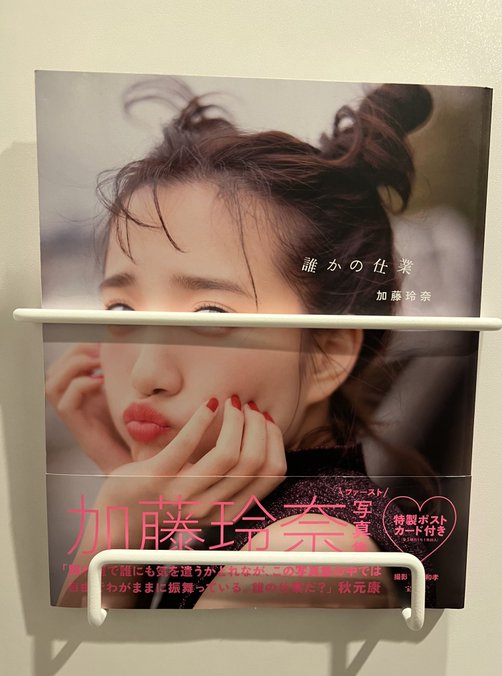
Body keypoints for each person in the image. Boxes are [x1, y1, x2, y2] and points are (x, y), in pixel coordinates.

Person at [45, 81, 433, 609]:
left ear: (327, 354)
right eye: (121, 311)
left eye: (209, 313)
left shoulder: (307, 558)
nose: (145, 374)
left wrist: (110, 539)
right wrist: (133, 496)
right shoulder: (224, 519)